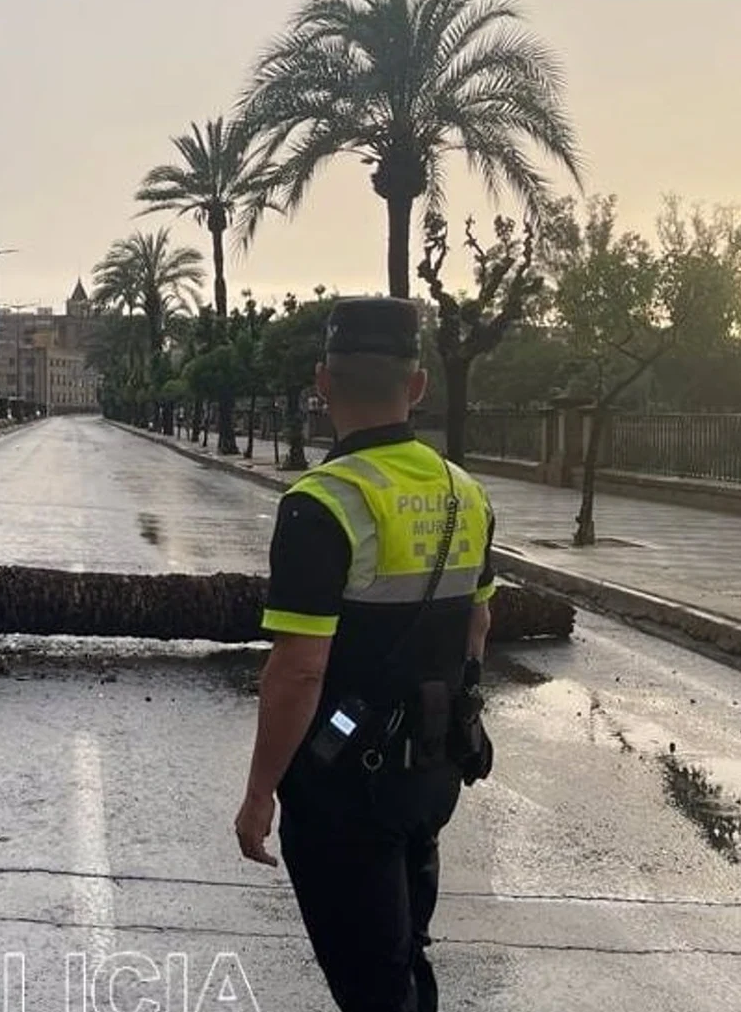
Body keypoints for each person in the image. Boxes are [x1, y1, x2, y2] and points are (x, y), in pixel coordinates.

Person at [234, 295, 497, 1012]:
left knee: (373, 985)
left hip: (345, 788)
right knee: (404, 955)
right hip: (434, 773)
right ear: (417, 387)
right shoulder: (464, 493)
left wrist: (260, 794)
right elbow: (477, 623)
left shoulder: (322, 501)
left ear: (323, 382)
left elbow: (299, 668)